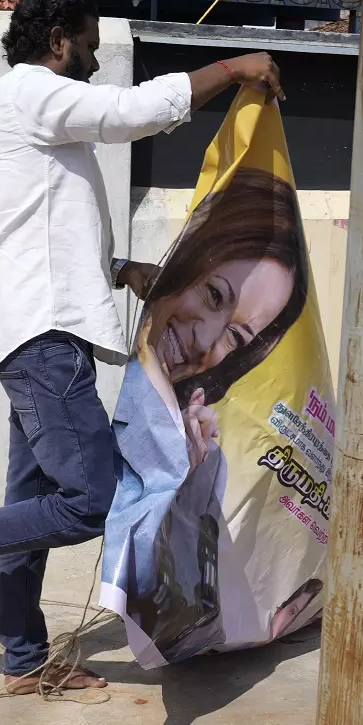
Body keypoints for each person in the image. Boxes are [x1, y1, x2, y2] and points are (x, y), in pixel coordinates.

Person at [0, 0, 283, 693]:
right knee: (88, 500)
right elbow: (128, 113)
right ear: (58, 42)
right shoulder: (29, 92)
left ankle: (22, 659)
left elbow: (36, 227)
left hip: (40, 330)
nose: (96, 64)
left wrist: (116, 267)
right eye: (91, 49)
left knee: (30, 504)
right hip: (41, 336)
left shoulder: (31, 112)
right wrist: (231, 69)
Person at [118, 167, 311, 661]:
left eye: (235, 337)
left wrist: (187, 495)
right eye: (214, 295)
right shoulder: (127, 405)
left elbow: (182, 626)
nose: (206, 340)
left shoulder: (205, 455)